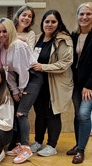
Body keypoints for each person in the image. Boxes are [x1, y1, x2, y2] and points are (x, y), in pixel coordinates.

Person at [68, 2, 92, 164]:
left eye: (88, 14)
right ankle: (78, 145)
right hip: (76, 83)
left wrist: (89, 86)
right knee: (78, 115)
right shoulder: (73, 35)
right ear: (77, 16)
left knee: (84, 114)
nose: (84, 17)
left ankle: (81, 151)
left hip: (91, 84)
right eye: (81, 14)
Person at [31, 10, 73, 157]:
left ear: (58, 23)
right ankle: (38, 141)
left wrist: (44, 67)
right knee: (39, 114)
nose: (49, 24)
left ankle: (52, 145)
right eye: (46, 21)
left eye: (53, 22)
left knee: (52, 114)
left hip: (54, 84)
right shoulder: (38, 38)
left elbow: (65, 63)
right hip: (38, 84)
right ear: (42, 23)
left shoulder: (63, 40)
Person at [0, 18, 38, 164]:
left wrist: (21, 89)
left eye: (4, 31)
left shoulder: (18, 46)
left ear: (11, 31)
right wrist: (14, 90)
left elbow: (24, 71)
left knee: (22, 113)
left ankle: (26, 148)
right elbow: (8, 73)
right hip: (18, 81)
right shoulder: (2, 47)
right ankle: (19, 146)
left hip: (32, 79)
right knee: (15, 112)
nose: (1, 34)